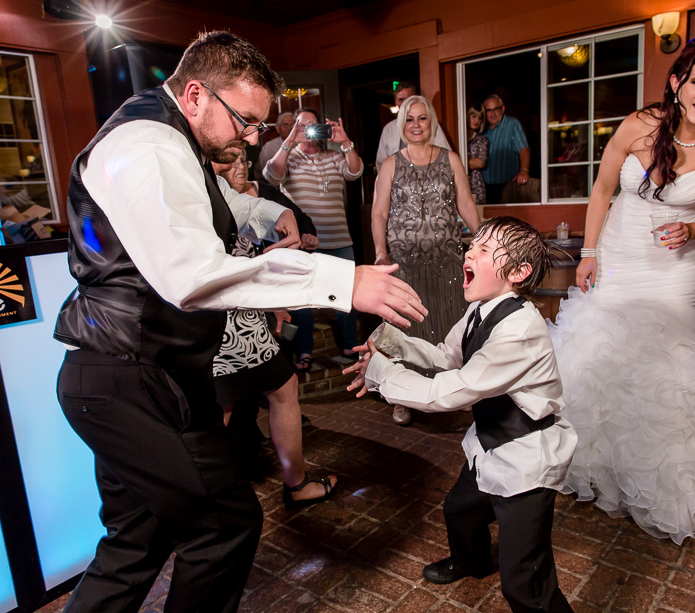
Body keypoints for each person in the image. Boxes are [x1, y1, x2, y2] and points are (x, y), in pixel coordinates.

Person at [53, 31, 426, 613]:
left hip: (128, 375)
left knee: (137, 541)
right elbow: (191, 274)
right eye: (245, 121)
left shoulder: (171, 140)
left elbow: (224, 222)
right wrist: (341, 282)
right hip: (131, 378)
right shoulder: (150, 143)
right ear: (197, 94)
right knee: (224, 526)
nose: (250, 137)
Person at [550, 34, 695, 545]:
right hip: (620, 252)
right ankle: (602, 472)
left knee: (666, 363)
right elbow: (601, 190)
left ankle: (668, 487)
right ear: (677, 82)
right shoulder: (641, 124)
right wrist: (590, 252)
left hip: (678, 264)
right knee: (604, 350)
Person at [345, 216, 578, 613]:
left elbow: (446, 393)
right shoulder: (480, 311)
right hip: (490, 444)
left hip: (525, 460)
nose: (470, 252)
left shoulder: (518, 331)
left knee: (525, 581)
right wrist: (390, 342)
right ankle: (472, 561)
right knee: (459, 509)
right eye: (473, 245)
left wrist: (381, 374)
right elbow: (445, 357)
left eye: (485, 250)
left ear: (519, 272)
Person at [212, 152, 335, 508]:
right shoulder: (196, 189)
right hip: (215, 319)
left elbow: (261, 228)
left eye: (240, 159)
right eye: (227, 159)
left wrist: (271, 303)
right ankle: (204, 501)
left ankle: (296, 484)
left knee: (284, 386)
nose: (236, 166)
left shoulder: (240, 193)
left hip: (247, 316)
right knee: (221, 407)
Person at [372, 95, 481, 425]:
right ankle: (401, 395)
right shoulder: (390, 164)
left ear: (431, 122)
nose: (416, 125)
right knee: (406, 328)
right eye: (409, 119)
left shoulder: (451, 160)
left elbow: (465, 204)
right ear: (400, 125)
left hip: (447, 259)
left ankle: (454, 391)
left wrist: (486, 241)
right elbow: (378, 213)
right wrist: (380, 253)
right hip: (405, 263)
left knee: (450, 326)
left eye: (421, 118)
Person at [264, 107, 362, 371]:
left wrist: (346, 143)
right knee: (302, 302)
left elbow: (355, 172)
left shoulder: (332, 156)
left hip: (340, 239)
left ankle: (350, 346)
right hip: (304, 241)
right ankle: (304, 351)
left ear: (321, 129)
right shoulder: (289, 157)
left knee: (344, 297)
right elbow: (270, 175)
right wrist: (289, 143)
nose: (307, 130)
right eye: (300, 125)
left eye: (312, 125)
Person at [375, 80, 452, 170]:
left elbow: (446, 157)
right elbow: (381, 164)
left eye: (409, 99)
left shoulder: (430, 125)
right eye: (401, 99)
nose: (405, 103)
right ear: (396, 101)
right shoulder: (388, 129)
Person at [481, 94, 531, 203]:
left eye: (496, 109)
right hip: (485, 188)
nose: (492, 114)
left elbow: (524, 149)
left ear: (503, 109)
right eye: (488, 110)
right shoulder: (482, 128)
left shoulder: (512, 124)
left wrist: (524, 171)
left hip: (507, 186)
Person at [255, 111, 294, 179]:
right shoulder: (269, 147)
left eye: (292, 125)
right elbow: (260, 173)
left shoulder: (302, 145)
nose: (289, 128)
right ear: (277, 128)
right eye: (285, 124)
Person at [467, 103, 489, 205]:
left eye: (480, 118)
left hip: (476, 185)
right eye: (474, 116)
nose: (477, 121)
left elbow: (480, 162)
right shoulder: (459, 138)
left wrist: (460, 163)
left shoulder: (482, 140)